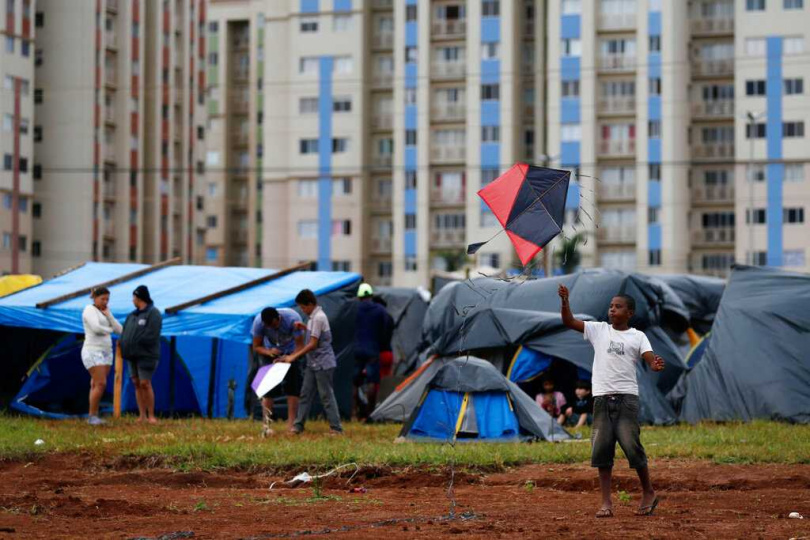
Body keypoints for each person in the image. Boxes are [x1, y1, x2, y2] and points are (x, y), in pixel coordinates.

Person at [559, 284, 665, 518]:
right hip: (601, 399)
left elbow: (649, 358)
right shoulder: (598, 330)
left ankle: (648, 492)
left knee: (631, 446)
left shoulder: (638, 336)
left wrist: (654, 364)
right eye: (610, 306)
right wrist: (565, 301)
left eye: (618, 307)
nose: (612, 310)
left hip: (627, 399)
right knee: (602, 451)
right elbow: (569, 322)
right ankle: (606, 502)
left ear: (630, 313)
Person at [280, 289, 343, 435]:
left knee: (326, 396)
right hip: (313, 364)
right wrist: (305, 327)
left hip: (323, 364)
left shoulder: (318, 317)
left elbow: (312, 344)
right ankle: (298, 425)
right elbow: (315, 333)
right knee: (305, 394)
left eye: (303, 307)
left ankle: (336, 428)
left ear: (310, 304)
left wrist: (293, 356)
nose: (302, 310)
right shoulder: (313, 319)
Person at [250, 307, 305, 436]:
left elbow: (300, 346)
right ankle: (266, 425)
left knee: (293, 389)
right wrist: (269, 352)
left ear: (278, 318)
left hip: (291, 353)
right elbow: (256, 346)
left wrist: (289, 358)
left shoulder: (293, 319)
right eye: (267, 326)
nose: (270, 328)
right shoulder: (258, 322)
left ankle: (291, 425)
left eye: (273, 325)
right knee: (268, 390)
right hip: (271, 354)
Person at [120, 285, 162, 424]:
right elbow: (125, 332)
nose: (132, 300)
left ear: (139, 298)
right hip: (131, 356)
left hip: (146, 355)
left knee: (145, 383)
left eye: (134, 297)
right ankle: (142, 415)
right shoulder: (132, 315)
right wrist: (124, 345)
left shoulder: (153, 313)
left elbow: (152, 334)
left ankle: (151, 416)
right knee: (136, 383)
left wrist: (136, 343)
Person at [81, 287, 123, 425]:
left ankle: (93, 415)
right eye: (102, 299)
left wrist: (109, 315)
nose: (105, 302)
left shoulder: (106, 312)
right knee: (101, 383)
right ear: (95, 298)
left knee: (95, 383)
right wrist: (110, 330)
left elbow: (120, 330)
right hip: (92, 350)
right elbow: (96, 328)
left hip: (107, 352)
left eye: (107, 299)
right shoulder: (89, 310)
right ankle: (92, 416)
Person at [353, 283, 388, 419]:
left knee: (354, 382)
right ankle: (369, 413)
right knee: (372, 381)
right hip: (373, 350)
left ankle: (353, 413)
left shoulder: (353, 309)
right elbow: (384, 330)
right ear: (371, 295)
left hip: (356, 350)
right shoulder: (380, 310)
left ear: (359, 296)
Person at [372, 295, 395, 379]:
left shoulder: (375, 317)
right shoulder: (390, 318)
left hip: (378, 354)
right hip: (388, 352)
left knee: (376, 379)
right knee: (386, 378)